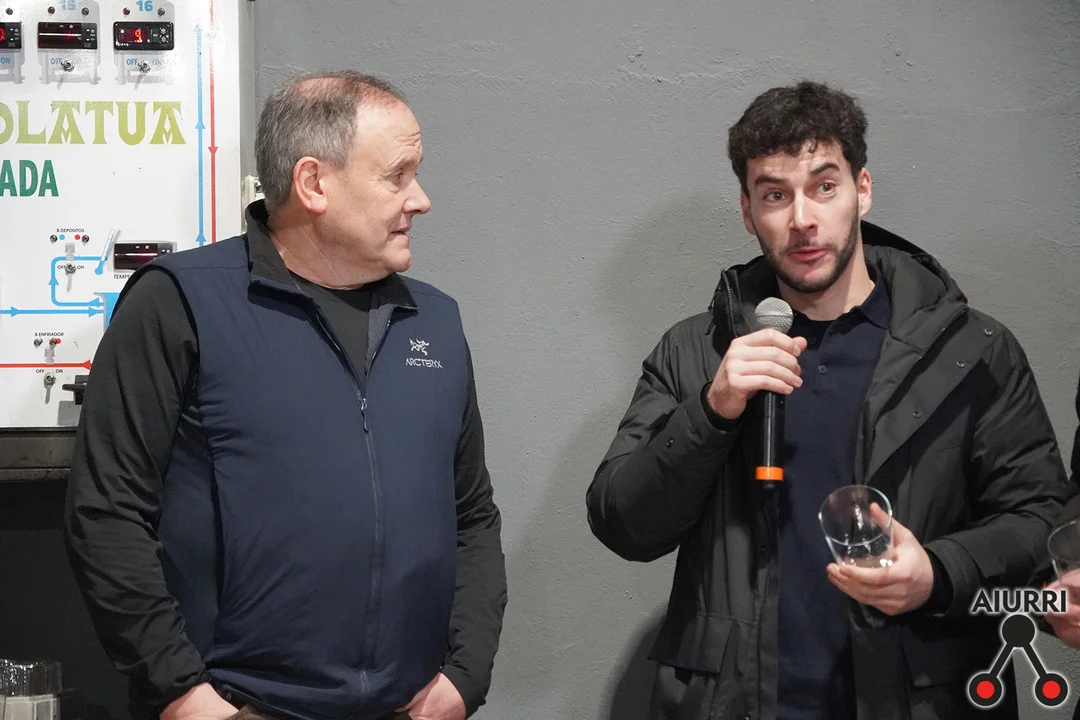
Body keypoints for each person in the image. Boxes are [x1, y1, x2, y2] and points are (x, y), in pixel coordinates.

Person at [586, 80, 1073, 720]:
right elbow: (623, 524)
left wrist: (938, 572)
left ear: (862, 189)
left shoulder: (970, 350)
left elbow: (1040, 521)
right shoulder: (697, 352)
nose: (802, 220)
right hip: (736, 702)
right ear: (747, 211)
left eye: (823, 186)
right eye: (775, 195)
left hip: (918, 698)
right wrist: (711, 410)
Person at [64, 71, 507, 720]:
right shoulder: (180, 303)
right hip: (238, 707)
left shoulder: (434, 321)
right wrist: (182, 694)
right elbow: (107, 511)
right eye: (397, 176)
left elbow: (472, 515)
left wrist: (465, 676)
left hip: (409, 707)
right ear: (313, 183)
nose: (421, 199)